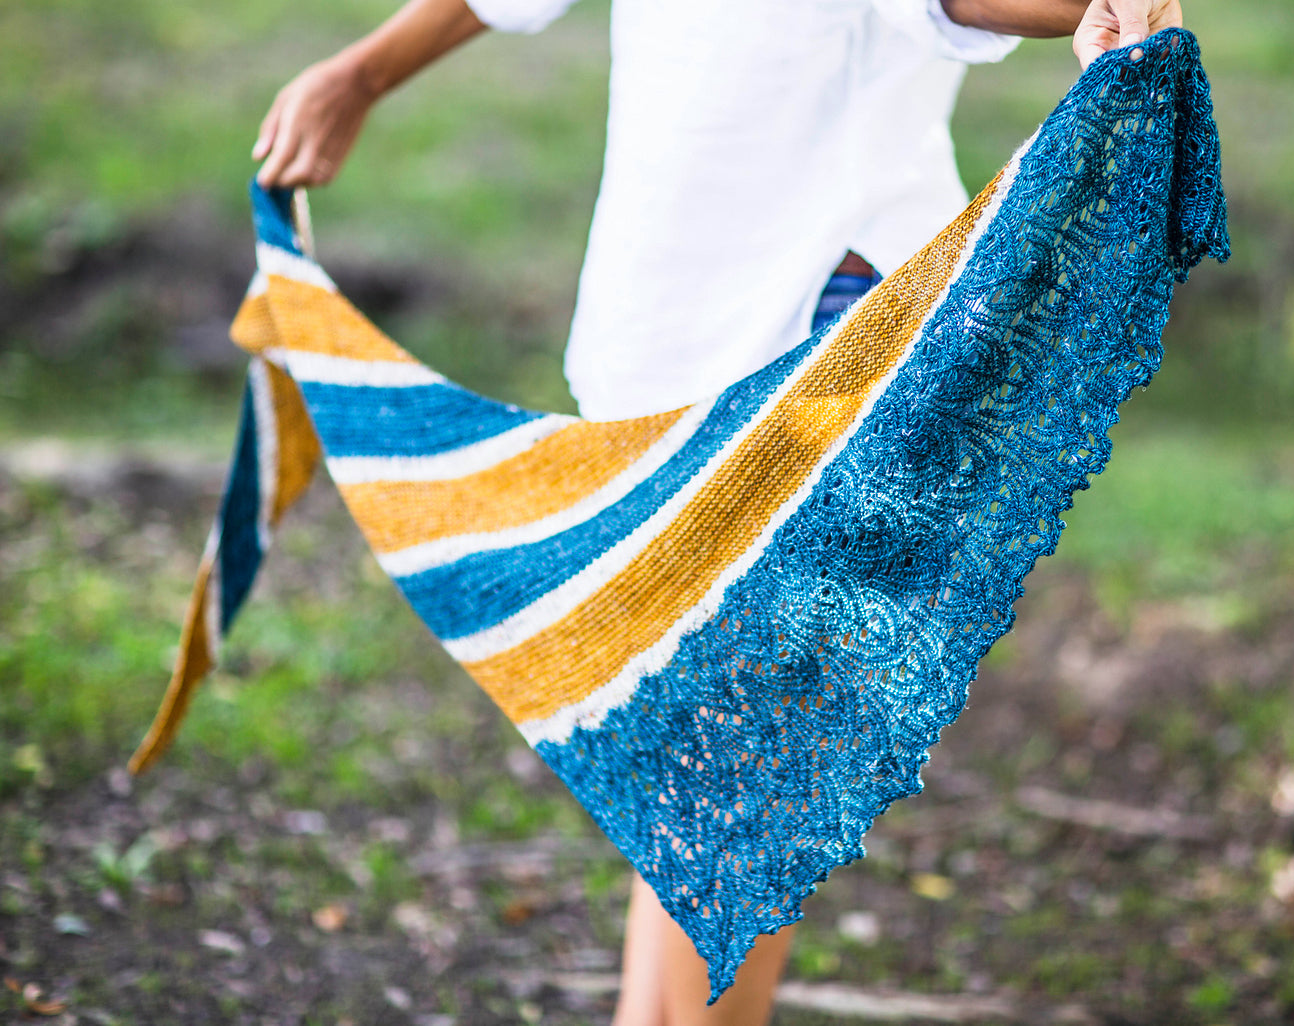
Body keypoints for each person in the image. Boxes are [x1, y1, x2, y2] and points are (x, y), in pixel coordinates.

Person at [251, 0, 1182, 1022]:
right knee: (697, 764)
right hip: (652, 348)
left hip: (824, 337)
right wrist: (361, 75)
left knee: (735, 779)